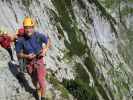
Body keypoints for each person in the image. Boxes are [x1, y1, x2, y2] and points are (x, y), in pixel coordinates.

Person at [15, 16, 51, 100]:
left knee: (41, 79)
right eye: (26, 28)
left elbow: (48, 41)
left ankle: (43, 97)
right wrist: (26, 56)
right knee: (34, 79)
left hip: (39, 60)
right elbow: (18, 54)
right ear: (24, 28)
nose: (28, 30)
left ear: (33, 27)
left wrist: (45, 49)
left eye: (30, 27)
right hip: (29, 63)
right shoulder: (21, 40)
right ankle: (37, 89)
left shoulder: (38, 35)